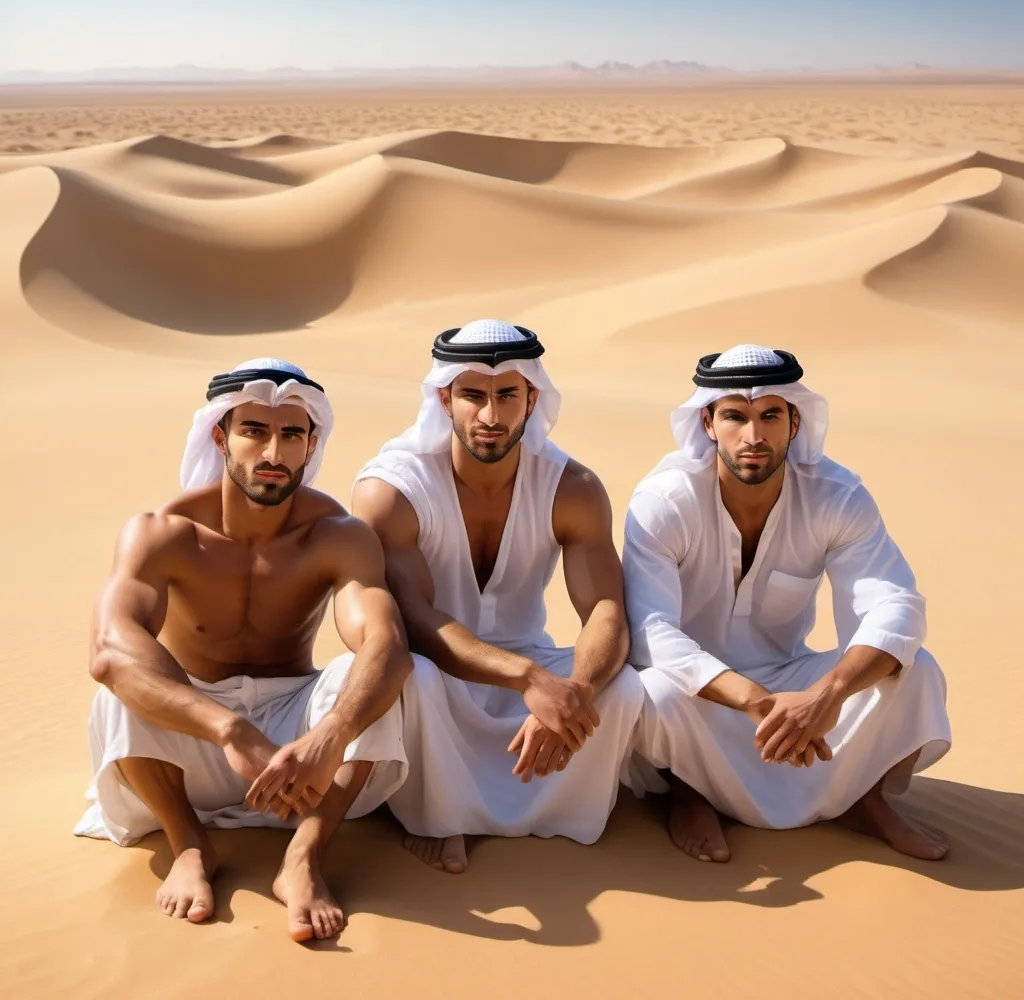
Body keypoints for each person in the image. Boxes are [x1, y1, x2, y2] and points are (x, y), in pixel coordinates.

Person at [75, 359, 412, 941]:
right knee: (119, 685)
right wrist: (228, 730)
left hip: (299, 754)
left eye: (291, 434)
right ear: (219, 436)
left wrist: (329, 734)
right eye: (254, 431)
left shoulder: (338, 534)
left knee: (378, 677)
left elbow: (386, 644)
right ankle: (189, 844)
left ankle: (303, 858)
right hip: (195, 743)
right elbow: (109, 648)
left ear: (311, 443)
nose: (273, 452)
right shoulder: (164, 531)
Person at [623, 345, 952, 863]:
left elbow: (895, 606)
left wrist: (827, 694)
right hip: (702, 693)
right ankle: (689, 796)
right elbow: (650, 631)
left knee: (917, 670)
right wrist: (757, 702)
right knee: (647, 688)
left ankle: (862, 801)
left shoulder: (836, 496)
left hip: (794, 684)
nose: (753, 436)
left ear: (794, 421)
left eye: (770, 415)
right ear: (708, 423)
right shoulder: (666, 502)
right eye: (735, 416)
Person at [352, 320, 643, 873]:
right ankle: (436, 820)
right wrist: (529, 681)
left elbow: (606, 609)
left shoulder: (572, 488)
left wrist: (575, 690)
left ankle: (550, 813)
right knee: (413, 678)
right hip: (441, 669)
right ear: (444, 398)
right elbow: (415, 618)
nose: (489, 416)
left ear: (532, 399)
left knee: (622, 685)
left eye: (507, 395)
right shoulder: (392, 491)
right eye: (472, 396)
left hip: (528, 665)